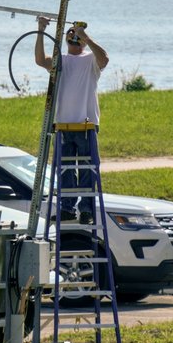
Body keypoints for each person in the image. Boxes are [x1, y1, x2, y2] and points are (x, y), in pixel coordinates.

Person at [35, 16, 109, 223]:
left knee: (87, 169)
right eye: (71, 34)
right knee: (64, 170)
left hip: (86, 125)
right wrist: (41, 30)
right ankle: (67, 208)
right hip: (63, 125)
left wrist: (86, 37)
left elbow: (104, 59)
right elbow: (41, 60)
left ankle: (86, 210)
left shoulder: (90, 60)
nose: (73, 37)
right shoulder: (61, 60)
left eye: (76, 35)